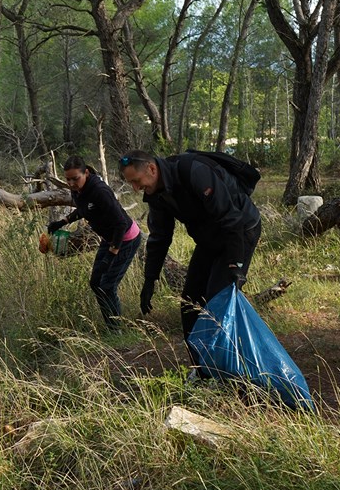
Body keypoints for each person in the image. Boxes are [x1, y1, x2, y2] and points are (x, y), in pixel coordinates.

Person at [118, 150, 261, 357]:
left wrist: (235, 264)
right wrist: (150, 279)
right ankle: (202, 369)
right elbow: (160, 237)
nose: (136, 188)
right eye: (131, 183)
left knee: (217, 302)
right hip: (209, 238)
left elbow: (230, 218)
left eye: (137, 181)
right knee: (190, 302)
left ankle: (231, 371)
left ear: (151, 168)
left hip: (240, 230)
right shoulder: (156, 194)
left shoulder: (194, 171)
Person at [48, 156, 142, 330]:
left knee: (107, 285)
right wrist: (62, 222)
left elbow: (121, 223)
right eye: (67, 179)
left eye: (75, 178)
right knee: (96, 283)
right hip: (109, 238)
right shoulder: (78, 189)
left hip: (126, 239)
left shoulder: (100, 191)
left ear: (86, 173)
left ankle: (116, 331)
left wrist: (111, 254)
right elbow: (84, 208)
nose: (71, 183)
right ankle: (112, 326)